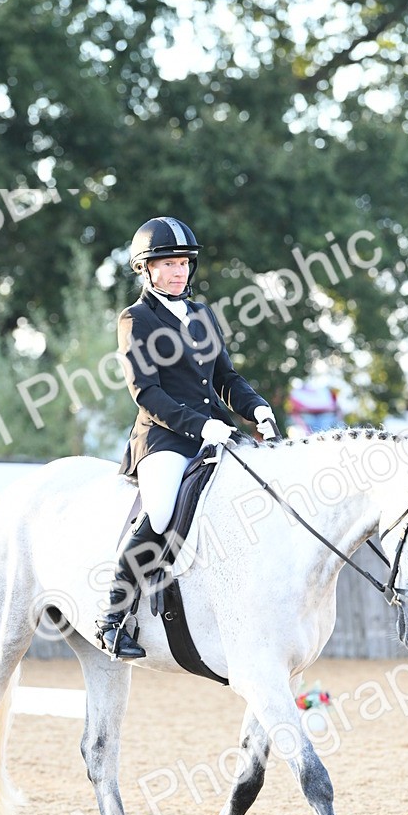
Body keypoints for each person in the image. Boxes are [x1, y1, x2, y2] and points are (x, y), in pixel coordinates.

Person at [95, 215, 279, 660]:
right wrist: (201, 426)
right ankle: (113, 617)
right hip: (163, 437)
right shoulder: (135, 319)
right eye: (168, 264)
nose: (178, 272)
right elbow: (147, 392)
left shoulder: (202, 314)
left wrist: (256, 408)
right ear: (146, 269)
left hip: (218, 431)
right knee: (160, 512)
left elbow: (225, 377)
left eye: (183, 263)